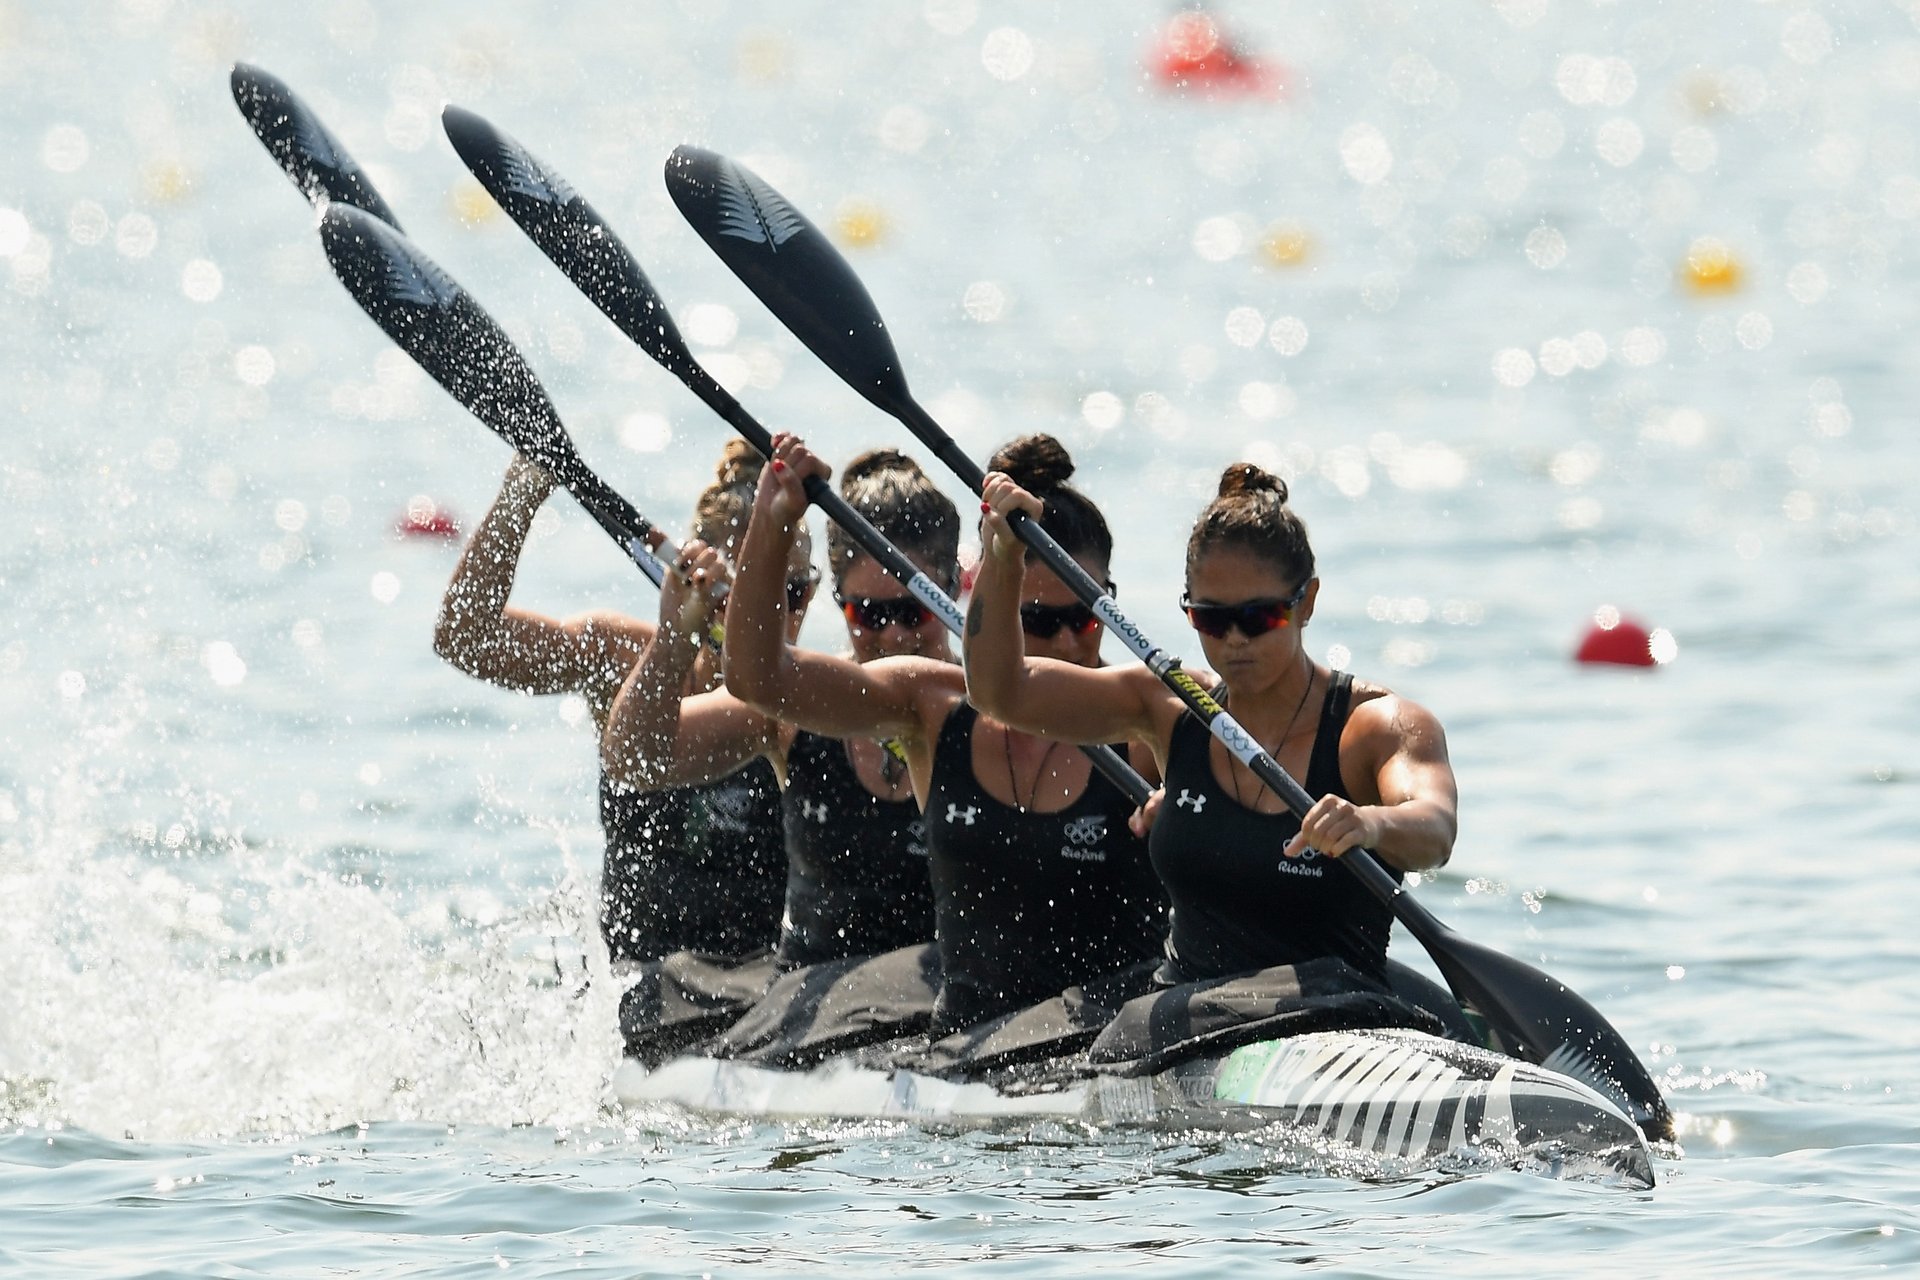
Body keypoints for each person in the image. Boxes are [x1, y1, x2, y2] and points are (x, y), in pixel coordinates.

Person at [966, 460, 1462, 1066]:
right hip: (1184, 1028)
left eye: (1258, 619)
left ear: (1307, 602)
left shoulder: (1375, 726)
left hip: (1330, 1028)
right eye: (1211, 619)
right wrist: (1001, 559)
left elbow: (1434, 827)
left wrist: (1372, 824)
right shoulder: (1174, 709)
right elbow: (1000, 693)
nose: (1234, 641)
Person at [721, 431, 1166, 1056]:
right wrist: (772, 525)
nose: (1070, 644)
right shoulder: (931, 708)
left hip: (1106, 1056)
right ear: (992, 603)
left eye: (1087, 617)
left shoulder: (1150, 720)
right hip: (970, 1069)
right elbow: (755, 678)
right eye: (1041, 621)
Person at [601, 447, 954, 975]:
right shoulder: (797, 710)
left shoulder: (991, 712)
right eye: (870, 613)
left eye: (915, 610)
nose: (895, 634)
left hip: (946, 1014)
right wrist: (675, 638)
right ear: (836, 601)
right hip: (825, 1018)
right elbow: (635, 761)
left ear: (953, 589)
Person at [433, 445, 787, 969]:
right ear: (694, 586)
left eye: (795, 592)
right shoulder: (618, 656)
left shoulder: (818, 697)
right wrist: (524, 491)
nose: (777, 612)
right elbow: (465, 637)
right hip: (637, 986)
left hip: (762, 992)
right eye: (750, 593)